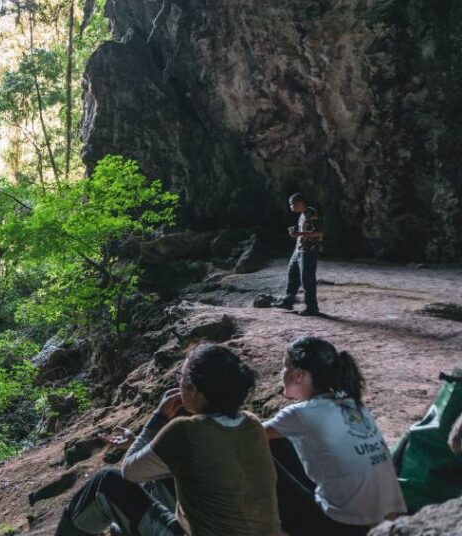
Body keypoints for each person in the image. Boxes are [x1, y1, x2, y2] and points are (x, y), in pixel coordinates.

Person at [55, 345, 281, 536]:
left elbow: (129, 471)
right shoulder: (251, 424)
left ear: (195, 390)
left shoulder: (184, 430)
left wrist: (159, 417)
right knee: (158, 480)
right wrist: (138, 441)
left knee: (107, 482)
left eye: (181, 378)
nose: (178, 384)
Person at [264, 336, 405, 535]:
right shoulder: (352, 402)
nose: (282, 372)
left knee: (266, 449)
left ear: (299, 375)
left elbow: (248, 434)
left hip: (345, 527)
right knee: (288, 441)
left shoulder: (300, 414)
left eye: (285, 366)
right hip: (389, 520)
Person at [275, 193, 324, 316]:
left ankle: (312, 307)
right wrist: (297, 235)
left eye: (292, 204)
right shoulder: (302, 215)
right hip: (299, 249)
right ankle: (288, 301)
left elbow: (319, 233)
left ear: (300, 203)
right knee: (292, 274)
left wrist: (298, 234)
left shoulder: (312, 213)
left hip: (309, 250)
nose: (291, 207)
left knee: (307, 278)